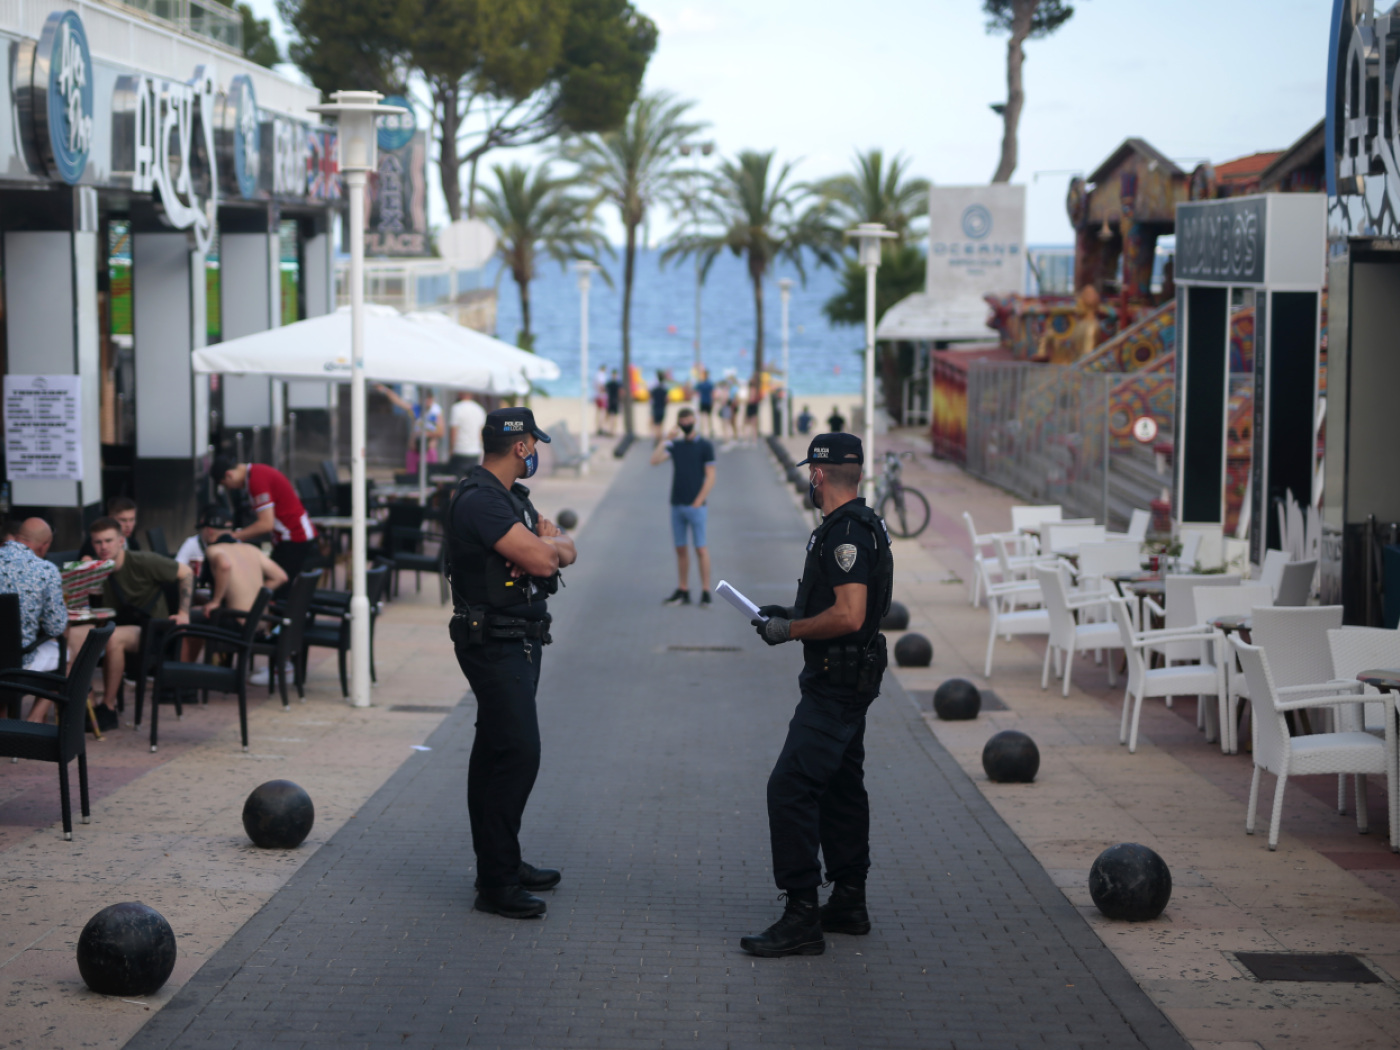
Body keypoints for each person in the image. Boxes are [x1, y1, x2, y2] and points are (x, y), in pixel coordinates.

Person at [742, 432, 893, 957]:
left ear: (819, 474)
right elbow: (841, 606)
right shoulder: (859, 525)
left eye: (813, 472)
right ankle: (849, 901)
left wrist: (793, 631)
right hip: (850, 677)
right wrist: (789, 614)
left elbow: (850, 614)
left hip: (837, 685)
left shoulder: (845, 532)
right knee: (842, 786)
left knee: (791, 787)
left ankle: (802, 912)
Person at [444, 407, 577, 919]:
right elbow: (549, 557)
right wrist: (552, 545)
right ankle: (496, 882)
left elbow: (566, 545)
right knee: (519, 753)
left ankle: (502, 861)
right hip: (495, 644)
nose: (536, 453)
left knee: (496, 752)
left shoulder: (507, 498)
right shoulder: (483, 502)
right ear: (521, 446)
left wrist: (553, 543)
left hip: (517, 640)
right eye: (533, 445)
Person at [74, 516, 194, 731]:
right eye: (98, 542)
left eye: (109, 541)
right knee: (73, 637)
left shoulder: (142, 560)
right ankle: (86, 708)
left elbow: (186, 572)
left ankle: (108, 708)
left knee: (112, 639)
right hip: (115, 625)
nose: (103, 547)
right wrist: (82, 577)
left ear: (121, 541)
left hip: (152, 630)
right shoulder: (95, 567)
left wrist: (184, 612)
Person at [210, 458, 318, 595]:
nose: (230, 489)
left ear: (229, 475)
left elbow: (266, 524)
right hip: (293, 535)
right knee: (278, 584)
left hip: (294, 536)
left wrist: (233, 536)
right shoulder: (256, 473)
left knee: (277, 588)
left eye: (226, 485)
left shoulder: (256, 481)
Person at [0, 519, 68, 721]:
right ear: (44, 545)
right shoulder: (46, 570)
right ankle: (33, 721)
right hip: (20, 662)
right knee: (69, 657)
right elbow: (55, 627)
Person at [650, 407, 717, 607]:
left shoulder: (705, 446)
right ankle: (683, 589)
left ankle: (706, 591)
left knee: (701, 549)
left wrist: (699, 500)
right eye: (682, 420)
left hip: (696, 506)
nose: (686, 423)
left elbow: (711, 476)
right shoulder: (676, 446)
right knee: (680, 549)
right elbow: (654, 461)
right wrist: (666, 439)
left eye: (688, 419)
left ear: (694, 420)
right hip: (677, 503)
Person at [378, 384, 445, 474]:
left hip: (428, 450)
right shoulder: (416, 409)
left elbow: (441, 432)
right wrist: (386, 390)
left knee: (429, 477)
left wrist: (426, 434)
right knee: (412, 477)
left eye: (429, 398)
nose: (427, 401)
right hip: (414, 450)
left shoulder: (436, 411)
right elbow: (399, 402)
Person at [78, 495, 141, 560]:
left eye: (132, 520)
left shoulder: (133, 543)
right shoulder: (94, 544)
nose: (128, 525)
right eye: (123, 520)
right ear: (111, 519)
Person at [448, 391, 487, 476]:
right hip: (474, 451)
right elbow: (481, 433)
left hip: (460, 450)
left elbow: (454, 431)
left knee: (454, 484)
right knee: (473, 483)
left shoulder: (456, 408)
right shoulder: (479, 409)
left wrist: (451, 449)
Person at [694, 368, 716, 439]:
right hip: (708, 402)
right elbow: (712, 394)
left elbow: (695, 391)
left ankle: (702, 431)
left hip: (703, 402)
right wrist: (712, 402)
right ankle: (710, 430)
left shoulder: (701, 383)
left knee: (702, 417)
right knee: (709, 417)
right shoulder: (709, 383)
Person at [649, 370, 670, 441]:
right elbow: (667, 400)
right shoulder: (665, 389)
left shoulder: (654, 389)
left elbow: (651, 399)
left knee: (656, 424)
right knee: (661, 424)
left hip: (655, 407)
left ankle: (656, 436)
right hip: (662, 408)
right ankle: (659, 436)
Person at [604, 369, 622, 437]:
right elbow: (621, 392)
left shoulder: (610, 383)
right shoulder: (618, 383)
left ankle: (611, 430)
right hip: (614, 401)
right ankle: (612, 430)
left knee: (611, 416)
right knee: (613, 417)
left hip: (611, 401)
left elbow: (604, 390)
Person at [593, 365, 608, 434]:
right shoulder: (601, 375)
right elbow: (601, 385)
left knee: (598, 412)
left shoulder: (596, 375)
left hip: (597, 395)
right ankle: (600, 427)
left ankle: (598, 427)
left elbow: (594, 385)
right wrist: (602, 393)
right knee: (602, 412)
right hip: (601, 396)